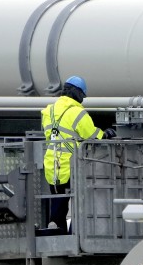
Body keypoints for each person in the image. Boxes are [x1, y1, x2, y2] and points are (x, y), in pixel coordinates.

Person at [41, 76, 115, 231]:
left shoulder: (49, 111)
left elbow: (51, 136)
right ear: (77, 92)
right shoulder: (78, 113)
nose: (82, 100)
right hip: (72, 165)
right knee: (80, 202)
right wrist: (107, 133)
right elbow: (93, 135)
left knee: (58, 203)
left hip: (52, 164)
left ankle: (56, 232)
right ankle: (76, 233)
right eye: (82, 96)